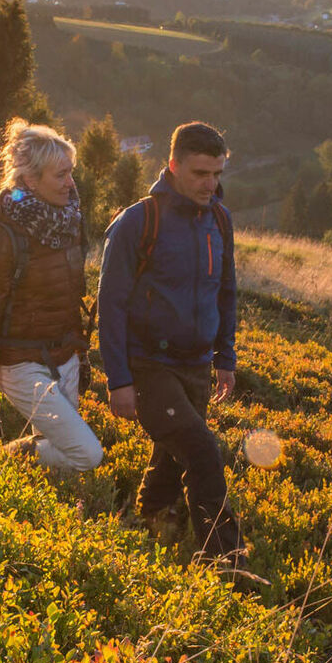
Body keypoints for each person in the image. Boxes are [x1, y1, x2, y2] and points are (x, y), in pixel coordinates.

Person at [97, 121, 244, 562]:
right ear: (174, 165)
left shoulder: (219, 218)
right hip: (147, 366)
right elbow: (111, 304)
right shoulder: (138, 222)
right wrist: (118, 379)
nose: (210, 184)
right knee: (202, 453)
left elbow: (226, 290)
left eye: (217, 174)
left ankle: (144, 522)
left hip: (197, 363)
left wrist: (225, 355)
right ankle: (228, 564)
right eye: (201, 174)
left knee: (171, 455)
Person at [0, 119, 104, 473]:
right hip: (20, 363)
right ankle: (3, 462)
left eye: (71, 172)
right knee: (87, 455)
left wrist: (79, 353)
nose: (71, 184)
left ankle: (21, 490)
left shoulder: (70, 220)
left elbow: (70, 295)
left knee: (59, 449)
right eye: (60, 175)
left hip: (64, 356)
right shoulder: (4, 234)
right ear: (30, 180)